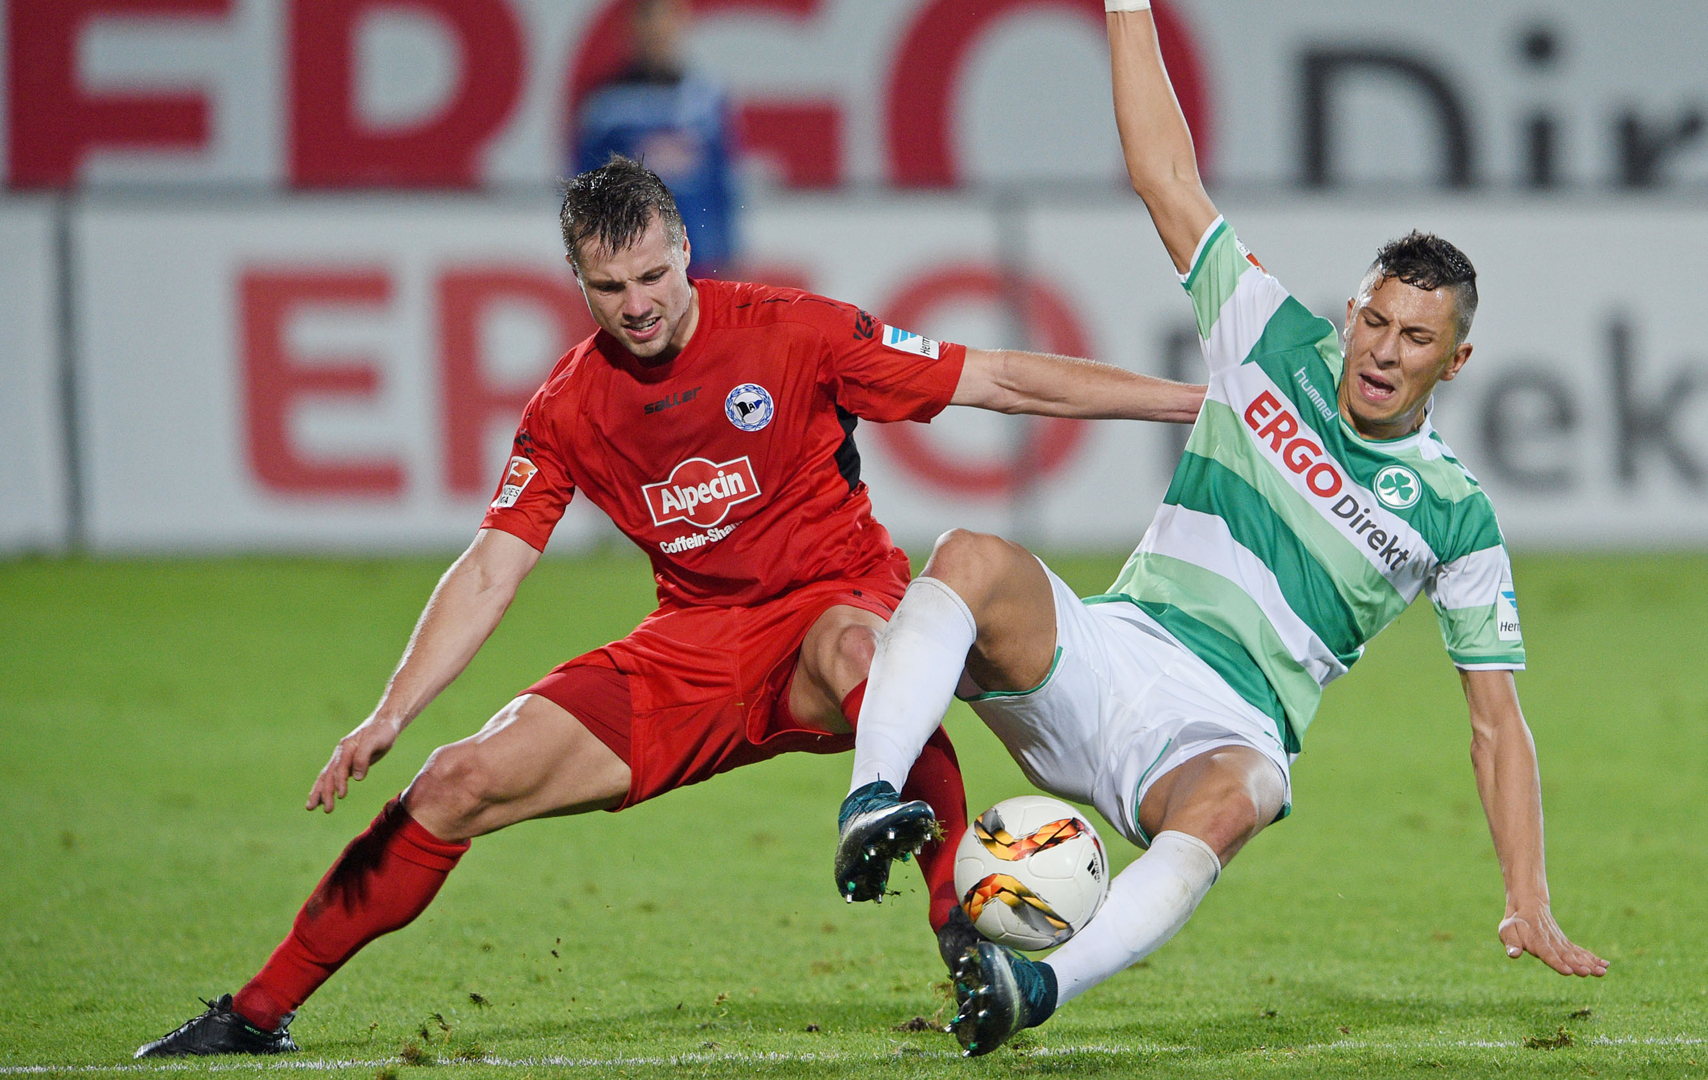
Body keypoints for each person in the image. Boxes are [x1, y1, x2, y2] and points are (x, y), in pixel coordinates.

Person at [133, 155, 1204, 1058]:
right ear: (578, 282)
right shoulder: (567, 406)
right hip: (691, 649)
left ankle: (957, 934)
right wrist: (390, 711)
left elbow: (1001, 379)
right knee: (456, 781)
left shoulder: (796, 332)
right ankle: (257, 1014)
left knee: (860, 647)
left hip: (834, 607)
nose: (638, 302)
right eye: (610, 287)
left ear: (686, 249)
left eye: (653, 273)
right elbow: (491, 565)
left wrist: (1194, 406)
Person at [830, 0, 1608, 1057]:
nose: (1381, 351)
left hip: (1218, 731)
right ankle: (872, 798)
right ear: (1351, 314)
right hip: (1107, 654)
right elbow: (1166, 178)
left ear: (1453, 363)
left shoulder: (1459, 516)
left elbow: (1494, 722)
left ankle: (1032, 987)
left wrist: (1527, 894)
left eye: (1415, 337)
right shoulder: (1264, 335)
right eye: (1373, 320)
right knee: (970, 558)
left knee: (1249, 791)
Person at [575, 0, 736, 278]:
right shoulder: (605, 105)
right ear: (630, 29)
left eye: (665, 21)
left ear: (680, 24)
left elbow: (723, 183)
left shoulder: (705, 99)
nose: (656, 32)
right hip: (630, 263)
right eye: (648, 22)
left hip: (698, 260)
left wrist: (727, 250)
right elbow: (582, 189)